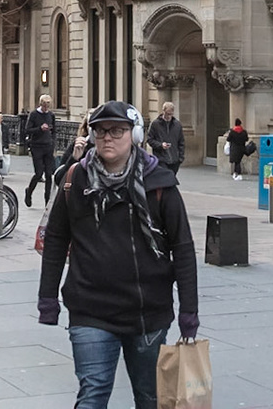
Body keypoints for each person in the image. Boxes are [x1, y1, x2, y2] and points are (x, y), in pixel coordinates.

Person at [37, 102, 198, 409]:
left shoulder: (159, 183)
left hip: (146, 313)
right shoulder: (75, 179)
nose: (107, 138)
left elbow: (183, 247)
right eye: (100, 131)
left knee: (150, 398)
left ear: (134, 135)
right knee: (92, 394)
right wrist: (48, 299)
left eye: (117, 131)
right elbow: (56, 240)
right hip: (90, 310)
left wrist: (189, 311)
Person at [25, 96, 58, 207]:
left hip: (48, 146)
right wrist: (39, 128)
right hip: (37, 146)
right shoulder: (34, 114)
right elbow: (27, 130)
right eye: (44, 106)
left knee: (49, 175)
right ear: (41, 104)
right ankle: (29, 192)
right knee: (39, 173)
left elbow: (54, 130)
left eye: (48, 106)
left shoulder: (51, 115)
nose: (46, 108)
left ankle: (47, 201)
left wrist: (52, 142)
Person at [146, 101, 185, 174]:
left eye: (170, 114)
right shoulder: (156, 124)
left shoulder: (177, 125)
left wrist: (180, 158)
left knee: (171, 180)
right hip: (161, 158)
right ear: (163, 111)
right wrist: (160, 145)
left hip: (174, 160)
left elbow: (181, 142)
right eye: (167, 114)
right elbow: (149, 139)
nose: (168, 116)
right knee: (164, 179)